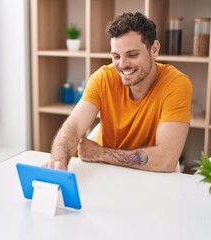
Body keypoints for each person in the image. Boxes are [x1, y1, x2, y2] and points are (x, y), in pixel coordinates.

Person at [46, 12, 192, 172]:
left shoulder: (176, 84)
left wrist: (100, 154)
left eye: (132, 54)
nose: (122, 65)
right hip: (108, 173)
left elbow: (165, 160)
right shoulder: (103, 78)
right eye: (116, 56)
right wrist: (58, 162)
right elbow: (73, 126)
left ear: (154, 49)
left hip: (152, 177)